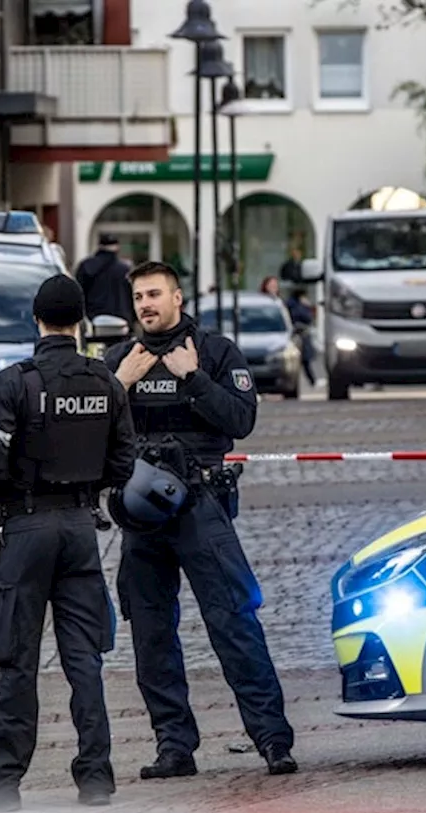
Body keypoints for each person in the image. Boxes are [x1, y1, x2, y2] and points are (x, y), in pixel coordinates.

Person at [0, 274, 137, 813]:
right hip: (81, 527)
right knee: (85, 659)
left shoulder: (16, 383)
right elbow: (124, 462)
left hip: (27, 530)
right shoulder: (105, 382)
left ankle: (1, 784)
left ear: (36, 320)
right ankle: (96, 776)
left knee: (16, 658)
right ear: (79, 322)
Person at [104, 260, 297, 779]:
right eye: (138, 297)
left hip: (201, 505)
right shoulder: (121, 359)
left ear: (178, 298)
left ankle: (273, 740)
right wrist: (118, 386)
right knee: (150, 631)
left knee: (233, 620)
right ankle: (174, 746)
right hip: (142, 514)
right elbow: (88, 432)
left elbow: (242, 420)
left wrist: (193, 380)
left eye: (154, 294)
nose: (145, 304)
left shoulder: (213, 353)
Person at [75, 232, 135, 322]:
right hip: (121, 318)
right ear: (117, 247)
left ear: (99, 246)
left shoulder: (86, 266)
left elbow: (78, 293)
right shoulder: (125, 269)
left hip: (93, 318)